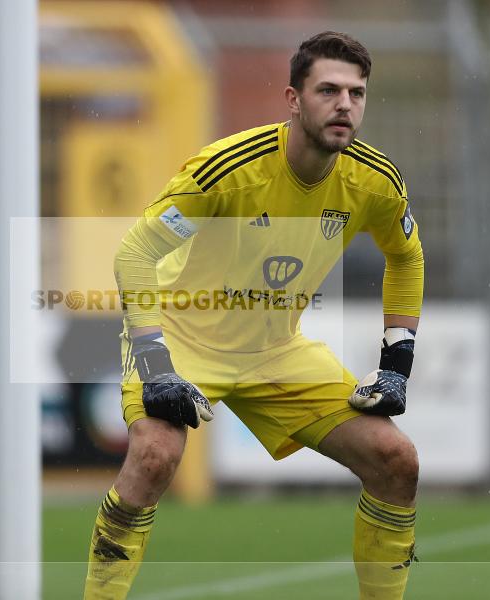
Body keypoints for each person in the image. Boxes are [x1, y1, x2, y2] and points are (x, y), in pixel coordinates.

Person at [84, 31, 424, 600]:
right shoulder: (229, 167)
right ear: (293, 99)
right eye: (329, 90)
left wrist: (397, 363)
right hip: (179, 337)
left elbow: (406, 259)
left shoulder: (375, 181)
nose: (345, 105)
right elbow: (135, 253)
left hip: (273, 349)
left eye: (357, 93)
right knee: (153, 456)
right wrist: (154, 359)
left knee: (396, 460)